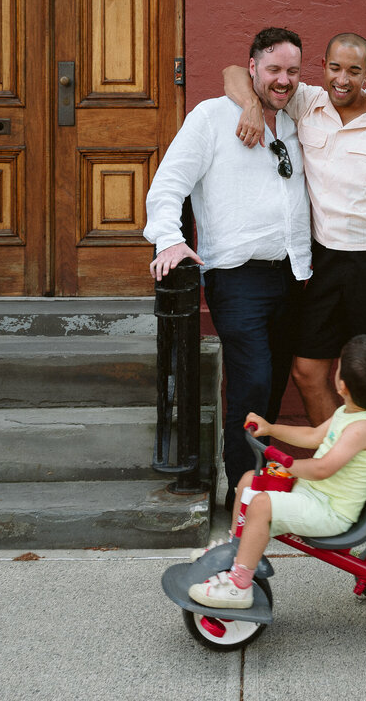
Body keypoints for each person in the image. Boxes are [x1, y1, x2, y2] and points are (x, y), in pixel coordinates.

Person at [224, 33, 366, 434]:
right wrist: (252, 106)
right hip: (324, 262)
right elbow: (233, 72)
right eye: (335, 68)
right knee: (306, 371)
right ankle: (337, 463)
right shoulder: (307, 102)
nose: (343, 79)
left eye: (355, 72)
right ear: (322, 66)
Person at [144, 27, 311, 510]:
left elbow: (356, 92)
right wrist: (170, 240)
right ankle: (240, 487)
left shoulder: (300, 116)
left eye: (292, 71)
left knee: (275, 380)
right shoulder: (212, 117)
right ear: (253, 68)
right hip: (237, 276)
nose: (284, 79)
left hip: (296, 272)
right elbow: (169, 184)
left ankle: (256, 471)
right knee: (252, 378)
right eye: (274, 69)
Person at [189, 334, 366, 609]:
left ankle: (239, 585)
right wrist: (270, 428)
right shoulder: (348, 413)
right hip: (315, 495)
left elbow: (323, 468)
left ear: (341, 384)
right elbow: (313, 435)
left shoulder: (363, 428)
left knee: (261, 505)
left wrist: (290, 465)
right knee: (250, 480)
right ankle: (236, 549)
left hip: (331, 511)